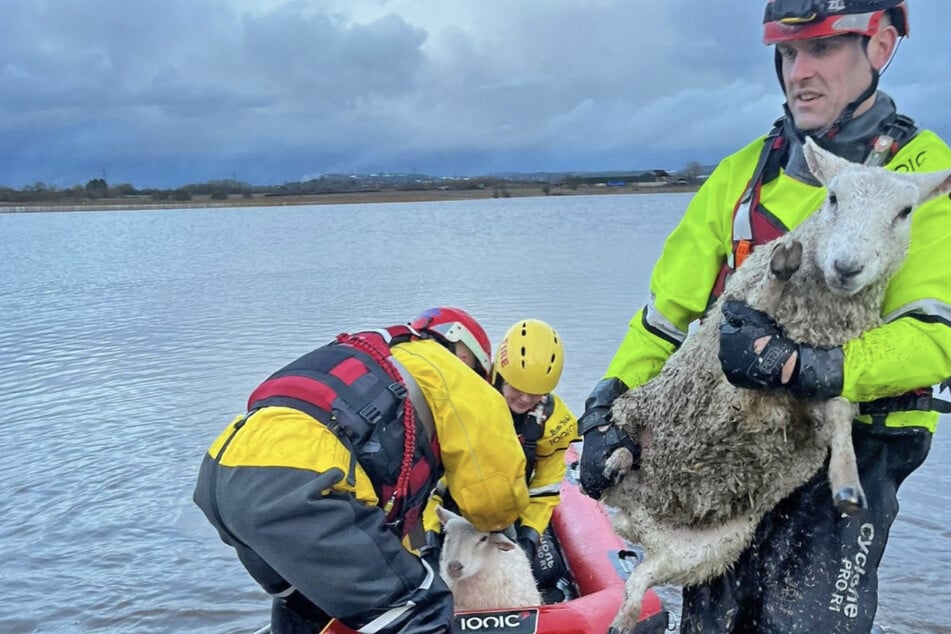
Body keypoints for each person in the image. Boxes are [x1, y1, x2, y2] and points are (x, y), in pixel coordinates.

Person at [577, 1, 951, 632]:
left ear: (881, 48)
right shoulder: (738, 178)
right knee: (712, 621)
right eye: (787, 52)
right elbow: (661, 321)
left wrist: (807, 367)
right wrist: (606, 407)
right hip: (734, 447)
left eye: (824, 49)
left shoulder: (923, 177)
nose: (799, 71)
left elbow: (933, 337)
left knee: (801, 622)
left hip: (855, 444)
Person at [194, 312, 529, 634]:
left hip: (221, 480)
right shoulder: (462, 381)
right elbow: (492, 502)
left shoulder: (373, 357)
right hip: (300, 492)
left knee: (308, 602)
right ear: (469, 358)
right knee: (421, 609)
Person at [422, 319, 578, 598]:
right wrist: (431, 535)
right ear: (501, 373)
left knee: (548, 573)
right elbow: (434, 480)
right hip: (453, 510)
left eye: (536, 394)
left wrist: (529, 538)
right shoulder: (464, 402)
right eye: (517, 389)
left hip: (508, 512)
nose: (525, 400)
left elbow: (545, 486)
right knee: (426, 571)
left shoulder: (554, 421)